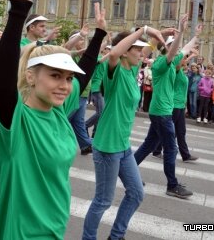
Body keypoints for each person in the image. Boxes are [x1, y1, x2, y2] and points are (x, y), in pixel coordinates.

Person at [0, 0, 105, 239]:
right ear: (31, 77)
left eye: (66, 78)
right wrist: (19, 9)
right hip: (24, 233)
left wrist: (99, 35)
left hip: (55, 226)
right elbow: (2, 80)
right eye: (54, 76)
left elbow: (84, 74)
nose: (64, 85)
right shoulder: (15, 121)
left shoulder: (58, 114)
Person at [83, 28, 158, 240]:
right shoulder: (113, 70)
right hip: (107, 146)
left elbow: (148, 48)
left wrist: (160, 36)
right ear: (126, 51)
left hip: (123, 146)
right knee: (103, 201)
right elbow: (114, 54)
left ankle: (116, 236)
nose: (142, 54)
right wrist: (143, 30)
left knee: (136, 194)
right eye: (137, 50)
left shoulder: (132, 70)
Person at [134, 16, 198, 199]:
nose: (181, 55)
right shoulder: (163, 63)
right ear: (168, 48)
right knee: (171, 148)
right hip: (161, 113)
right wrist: (181, 31)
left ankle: (126, 169)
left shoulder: (172, 65)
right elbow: (175, 52)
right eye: (174, 48)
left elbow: (183, 50)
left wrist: (194, 35)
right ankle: (172, 185)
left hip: (161, 112)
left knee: (148, 145)